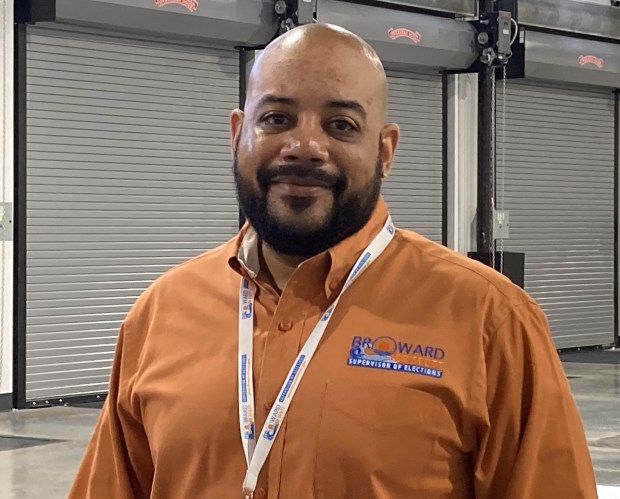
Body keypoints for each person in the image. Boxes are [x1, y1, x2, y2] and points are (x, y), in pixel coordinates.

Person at [68, 23, 598, 499]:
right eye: (276, 118)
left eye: (341, 124)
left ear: (385, 151)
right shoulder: (161, 313)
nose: (303, 146)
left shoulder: (491, 320)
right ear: (237, 135)